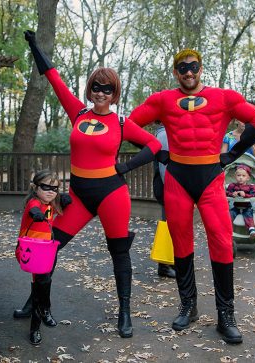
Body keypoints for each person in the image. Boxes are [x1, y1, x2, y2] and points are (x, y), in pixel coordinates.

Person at [24, 30, 162, 339]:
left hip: (112, 194)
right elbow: (54, 78)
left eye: (107, 89)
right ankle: (36, 302)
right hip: (79, 196)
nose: (100, 93)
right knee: (48, 246)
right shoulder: (78, 113)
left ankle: (124, 312)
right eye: (96, 87)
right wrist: (35, 45)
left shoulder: (122, 123)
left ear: (114, 93)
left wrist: (124, 166)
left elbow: (153, 145)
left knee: (119, 252)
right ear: (90, 89)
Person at [128, 48, 255, 344]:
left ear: (201, 68)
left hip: (210, 179)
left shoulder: (224, 97)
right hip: (177, 178)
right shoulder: (163, 99)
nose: (188, 72)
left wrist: (232, 153)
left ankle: (225, 315)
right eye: (182, 67)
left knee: (221, 240)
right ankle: (188, 306)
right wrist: (159, 151)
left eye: (193, 66)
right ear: (175, 71)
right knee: (181, 241)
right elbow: (129, 125)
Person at [14, 170, 71, 345]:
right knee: (42, 285)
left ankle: (34, 309)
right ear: (35, 187)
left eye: (54, 188)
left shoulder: (51, 204)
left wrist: (64, 201)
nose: (50, 191)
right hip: (31, 252)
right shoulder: (34, 202)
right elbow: (33, 209)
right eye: (45, 187)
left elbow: (55, 207)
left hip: (46, 250)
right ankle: (36, 325)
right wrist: (34, 214)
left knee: (42, 283)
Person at [153, 122, 176, 278]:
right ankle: (165, 265)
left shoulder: (164, 132)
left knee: (171, 224)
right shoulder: (164, 134)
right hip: (168, 187)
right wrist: (171, 189)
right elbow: (164, 166)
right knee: (169, 225)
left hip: (168, 186)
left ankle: (170, 262)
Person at [226, 164, 255, 238]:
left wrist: (245, 195)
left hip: (247, 207)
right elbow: (227, 193)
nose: (241, 177)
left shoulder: (251, 187)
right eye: (239, 175)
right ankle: (227, 229)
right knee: (229, 215)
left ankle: (251, 229)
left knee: (248, 215)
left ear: (248, 178)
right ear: (235, 176)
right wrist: (232, 194)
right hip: (236, 207)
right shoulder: (232, 186)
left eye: (243, 176)